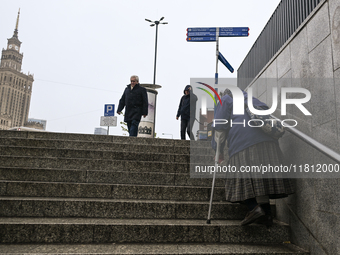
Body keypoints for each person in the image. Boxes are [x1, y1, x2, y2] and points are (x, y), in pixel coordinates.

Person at [212, 88, 294, 227]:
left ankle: (254, 209)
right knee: (261, 180)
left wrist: (217, 149)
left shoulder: (225, 100)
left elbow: (220, 126)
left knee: (239, 177)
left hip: (243, 142)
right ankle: (267, 215)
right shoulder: (252, 99)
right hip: (268, 144)